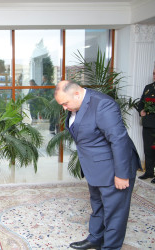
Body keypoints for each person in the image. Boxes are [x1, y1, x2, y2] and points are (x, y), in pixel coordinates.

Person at [54, 80, 141, 250]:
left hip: (115, 167)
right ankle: (95, 238)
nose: (64, 108)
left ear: (77, 94)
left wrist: (122, 175)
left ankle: (110, 247)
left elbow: (119, 141)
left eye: (65, 103)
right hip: (95, 167)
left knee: (115, 213)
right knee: (97, 204)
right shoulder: (76, 105)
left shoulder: (103, 105)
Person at [136, 69, 155, 184]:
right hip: (148, 123)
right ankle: (149, 172)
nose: (154, 76)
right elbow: (141, 102)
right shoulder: (148, 87)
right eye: (153, 73)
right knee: (148, 149)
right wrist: (141, 111)